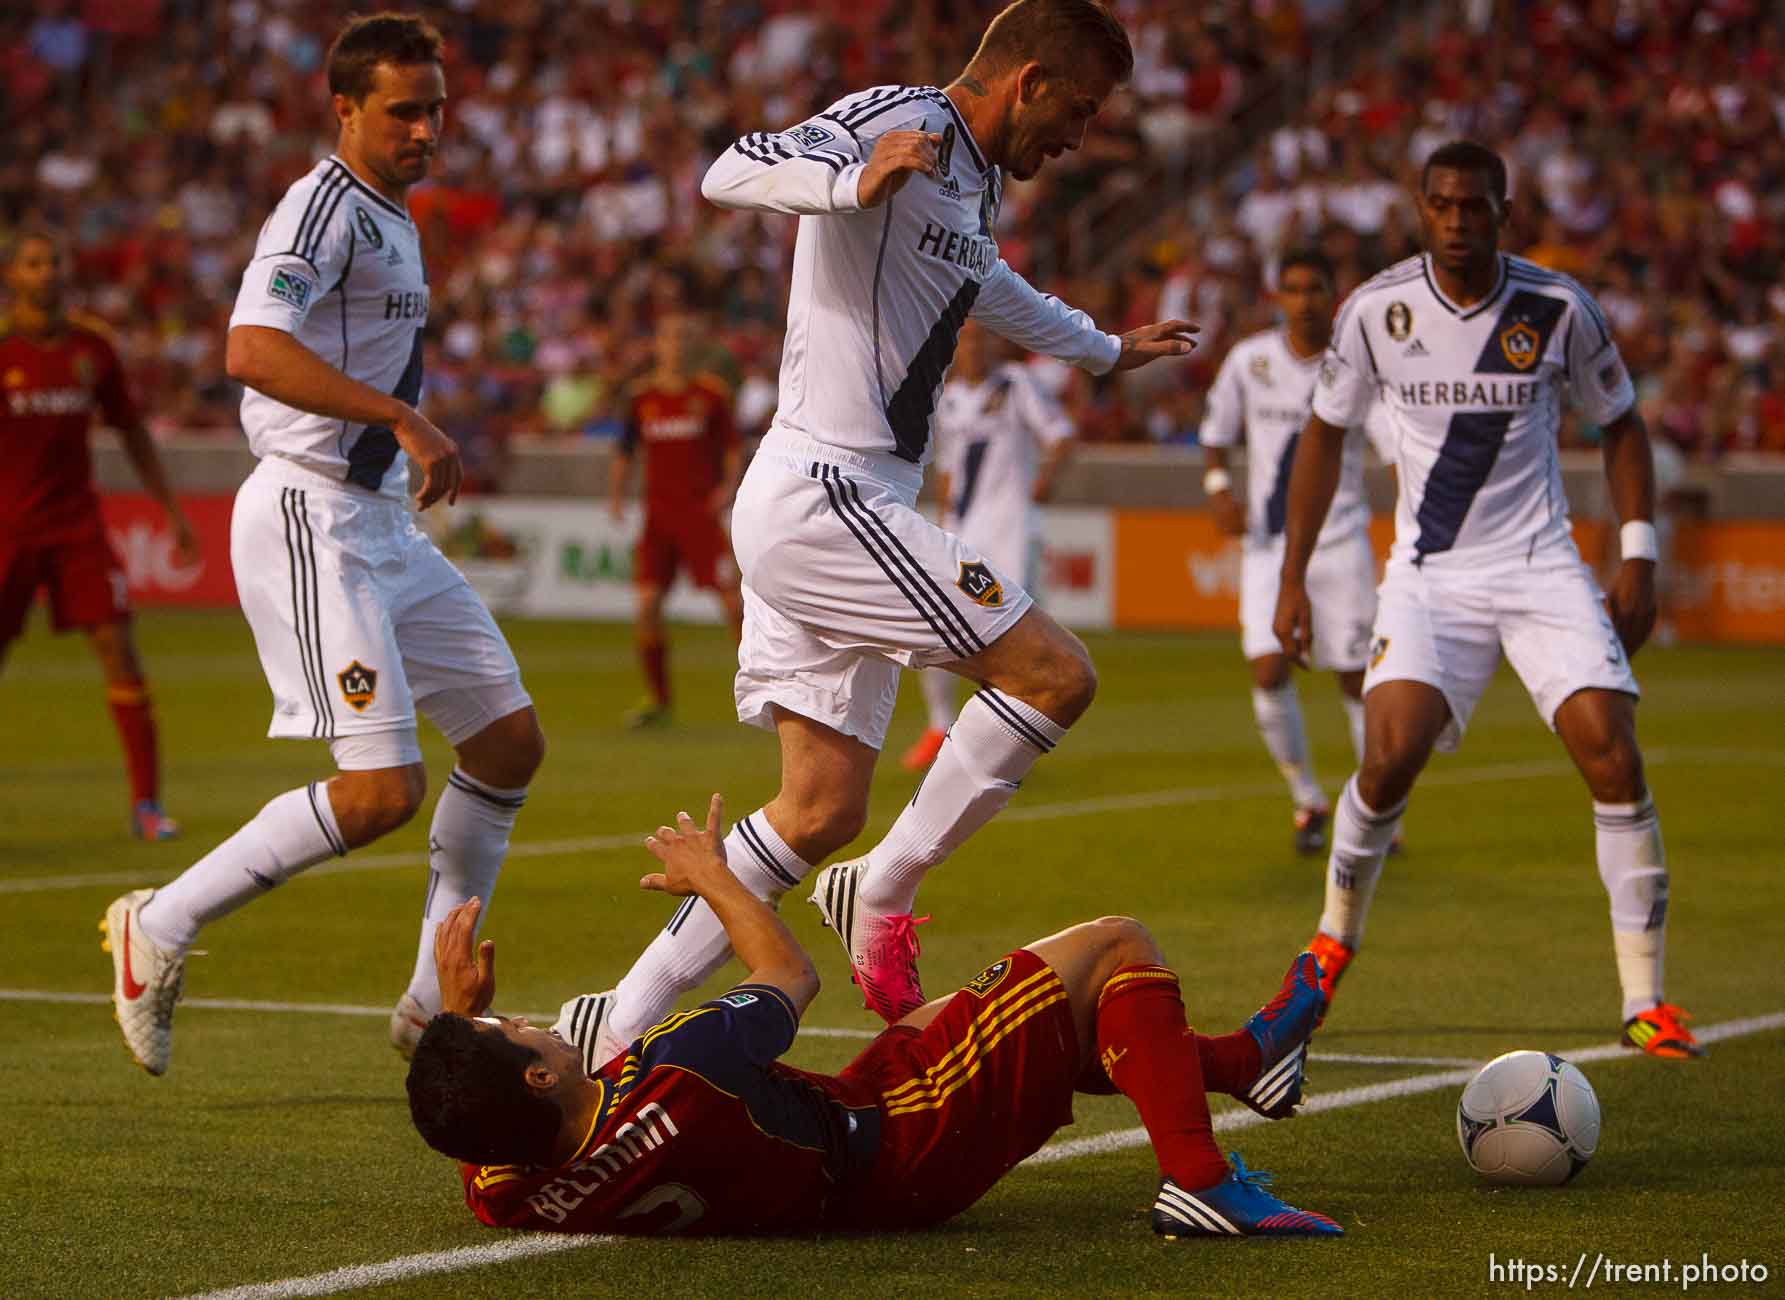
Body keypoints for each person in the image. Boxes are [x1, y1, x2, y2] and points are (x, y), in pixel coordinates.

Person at [577, 0, 1199, 1060]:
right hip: (829, 493)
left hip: (842, 502)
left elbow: (981, 284)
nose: (1080, 137)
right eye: (1080, 110)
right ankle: (888, 884)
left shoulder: (976, 177)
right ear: (1029, 80)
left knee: (815, 809)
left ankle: (607, 1027)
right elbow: (732, 167)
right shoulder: (896, 117)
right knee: (1053, 674)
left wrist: (1100, 349)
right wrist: (845, 180)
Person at [101, 13, 546, 1078]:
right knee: (380, 790)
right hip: (311, 514)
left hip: (381, 519)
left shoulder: (393, 213)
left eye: (437, 108)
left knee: (506, 743)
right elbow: (251, 347)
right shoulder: (322, 207)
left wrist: (397, 439)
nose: (429, 129)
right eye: (405, 110)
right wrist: (400, 416)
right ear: (344, 110)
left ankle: (430, 1004)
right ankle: (157, 922)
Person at [405, 794, 1342, 1240]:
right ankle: (1201, 1182)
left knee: (1027, 1016)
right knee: (1111, 945)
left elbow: (473, 1127)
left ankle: (1236, 1064)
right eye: (517, 1032)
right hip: (902, 1140)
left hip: (845, 1133)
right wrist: (712, 875)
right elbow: (787, 972)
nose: (530, 1019)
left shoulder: (509, 1188)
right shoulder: (680, 1068)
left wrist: (461, 1025)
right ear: (535, 1076)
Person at [1272, 141, 1701, 1058]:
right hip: (1430, 579)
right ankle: (1331, 938)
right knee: (1387, 758)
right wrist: (1290, 575)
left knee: (1610, 757)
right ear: (1419, 210)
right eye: (1441, 206)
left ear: (1504, 211)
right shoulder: (1375, 311)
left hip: (1542, 568)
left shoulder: (1557, 308)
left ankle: (1646, 1002)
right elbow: (1322, 435)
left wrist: (1637, 553)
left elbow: (1620, 423)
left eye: (1475, 207)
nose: (1458, 222)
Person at [1, 228, 196, 841]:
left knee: (121, 652)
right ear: (14, 276)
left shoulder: (93, 350)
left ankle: (146, 807)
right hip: (6, 531)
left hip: (76, 529)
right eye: (34, 262)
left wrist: (171, 509)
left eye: (54, 259)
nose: (47, 271)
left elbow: (133, 431)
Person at [1200, 249, 1375, 855]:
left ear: (1334, 295)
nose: (1304, 300)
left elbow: (1391, 443)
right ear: (1278, 297)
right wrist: (1219, 489)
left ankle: (1376, 809)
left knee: (1356, 678)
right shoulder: (1251, 362)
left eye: (1315, 289)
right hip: (1267, 545)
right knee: (1267, 667)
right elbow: (1216, 436)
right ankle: (1307, 797)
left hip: (1341, 537)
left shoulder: (1356, 366)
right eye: (1293, 289)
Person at [900, 320, 1074, 772]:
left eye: (982, 338)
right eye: (967, 340)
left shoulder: (1016, 385)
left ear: (996, 343)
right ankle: (940, 728)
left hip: (1012, 533)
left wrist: (1044, 481)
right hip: (965, 534)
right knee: (938, 629)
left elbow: (1060, 434)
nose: (975, 348)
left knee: (1010, 639)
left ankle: (1000, 745)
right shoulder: (949, 399)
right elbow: (948, 470)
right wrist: (944, 518)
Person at [607, 311, 745, 728]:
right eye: (670, 337)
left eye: (685, 337)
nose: (677, 345)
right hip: (659, 518)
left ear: (694, 346)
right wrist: (616, 496)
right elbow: (625, 450)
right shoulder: (641, 398)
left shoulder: (711, 395)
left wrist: (728, 487)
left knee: (733, 601)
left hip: (700, 515)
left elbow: (732, 447)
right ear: (659, 345)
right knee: (647, 606)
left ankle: (765, 688)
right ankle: (658, 699)